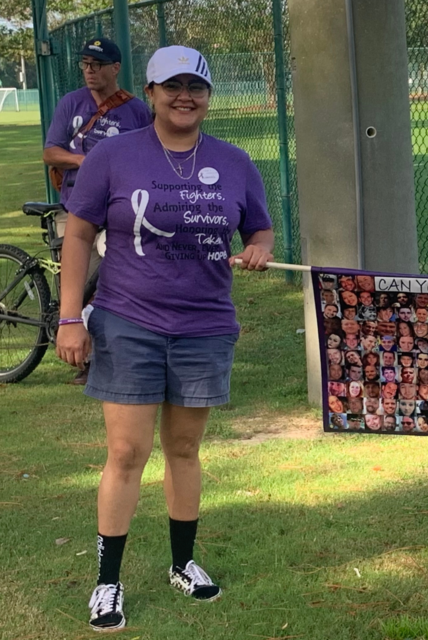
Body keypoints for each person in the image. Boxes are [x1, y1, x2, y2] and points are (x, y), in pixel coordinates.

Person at [55, 46, 275, 631]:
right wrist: (69, 317)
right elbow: (77, 236)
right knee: (127, 453)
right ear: (150, 92)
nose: (185, 96)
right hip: (130, 322)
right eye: (171, 85)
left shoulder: (234, 160)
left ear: (208, 95)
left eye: (196, 86)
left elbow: (260, 225)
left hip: (204, 325)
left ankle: (183, 564)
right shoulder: (113, 155)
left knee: (183, 450)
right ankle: (107, 583)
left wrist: (259, 248)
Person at [44, 37, 153, 385]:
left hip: (117, 210)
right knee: (79, 284)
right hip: (76, 204)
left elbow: (148, 154)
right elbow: (50, 152)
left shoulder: (134, 111)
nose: (89, 70)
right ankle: (84, 358)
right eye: (85, 63)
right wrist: (85, 161)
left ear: (115, 68)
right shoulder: (70, 104)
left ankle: (104, 356)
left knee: (111, 283)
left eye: (97, 64)